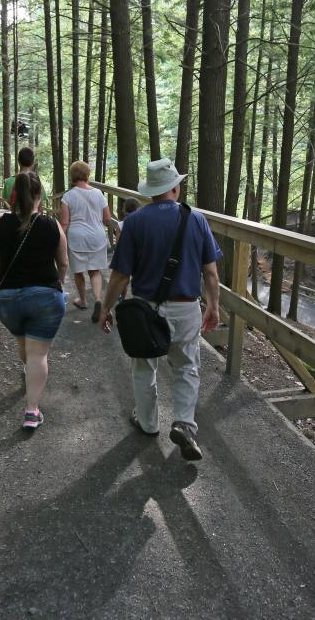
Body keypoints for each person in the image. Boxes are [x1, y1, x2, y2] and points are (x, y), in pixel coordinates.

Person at [98, 159, 222, 461]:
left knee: (143, 367)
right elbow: (211, 273)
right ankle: (183, 424)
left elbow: (120, 277)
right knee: (186, 367)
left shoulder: (135, 222)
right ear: (175, 189)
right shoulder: (197, 219)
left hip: (146, 311)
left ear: (151, 192)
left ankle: (148, 422)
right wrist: (214, 306)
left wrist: (106, 308)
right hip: (187, 308)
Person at [0, 171, 69, 429]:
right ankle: (32, 411)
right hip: (45, 296)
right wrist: (60, 281)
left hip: (9, 299)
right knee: (39, 354)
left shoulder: (1, 223)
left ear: (14, 196)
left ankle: (28, 371)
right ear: (39, 196)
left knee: (23, 341)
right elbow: (64, 261)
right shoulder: (50, 224)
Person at [60, 160, 119, 322]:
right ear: (87, 175)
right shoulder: (99, 193)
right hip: (97, 236)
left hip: (77, 237)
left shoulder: (68, 196)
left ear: (73, 176)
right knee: (95, 271)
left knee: (78, 271)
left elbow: (64, 222)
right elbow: (107, 219)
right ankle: (98, 299)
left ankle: (83, 300)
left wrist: (59, 240)